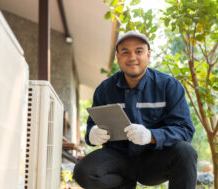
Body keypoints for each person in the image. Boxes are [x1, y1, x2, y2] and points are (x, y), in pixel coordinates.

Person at [73, 31, 197, 189]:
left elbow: (185, 130)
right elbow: (92, 126)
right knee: (83, 171)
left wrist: (152, 136)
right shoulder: (105, 89)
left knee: (186, 152)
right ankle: (124, 185)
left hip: (153, 159)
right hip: (117, 157)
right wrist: (92, 134)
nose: (132, 58)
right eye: (125, 52)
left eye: (139, 51)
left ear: (148, 54)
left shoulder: (168, 86)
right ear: (118, 57)